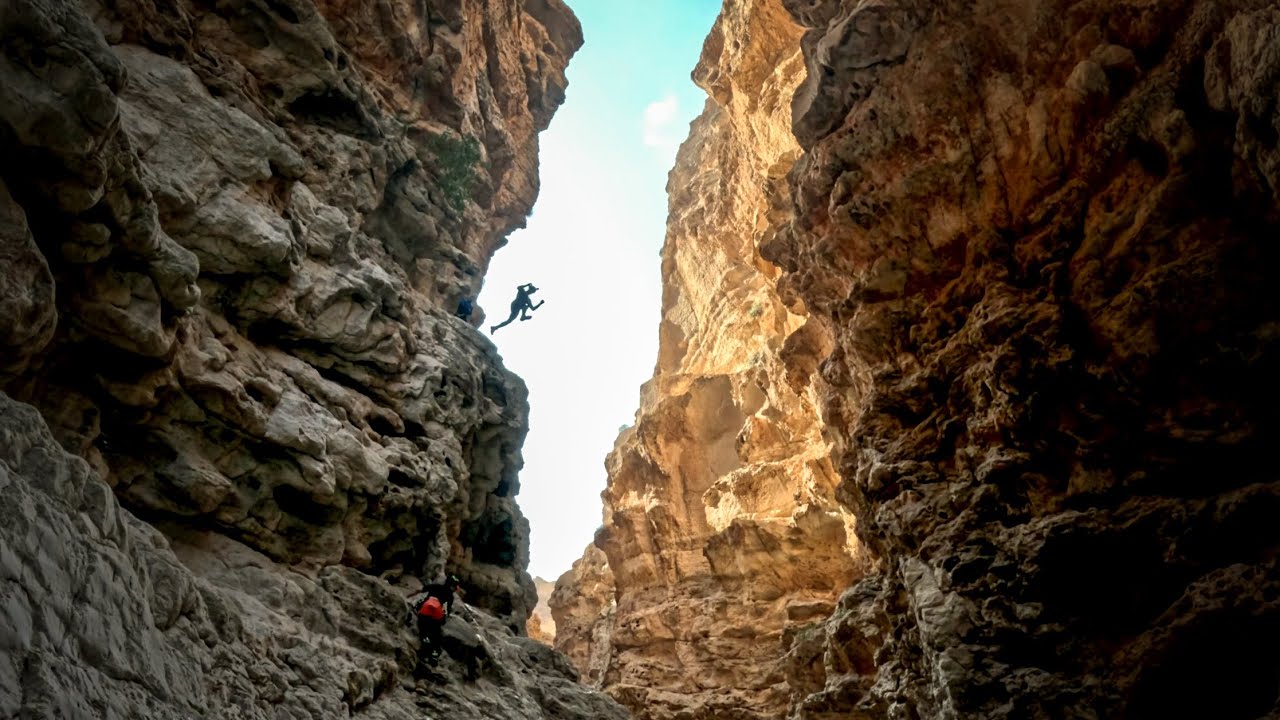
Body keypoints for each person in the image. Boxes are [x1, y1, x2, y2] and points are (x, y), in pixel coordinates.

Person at [414, 575, 462, 663]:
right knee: (435, 637)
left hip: (424, 612)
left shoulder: (436, 587)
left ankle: (424, 650)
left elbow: (421, 590)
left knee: (424, 633)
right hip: (435, 617)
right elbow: (446, 610)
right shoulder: (450, 596)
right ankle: (433, 656)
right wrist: (443, 620)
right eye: (455, 587)